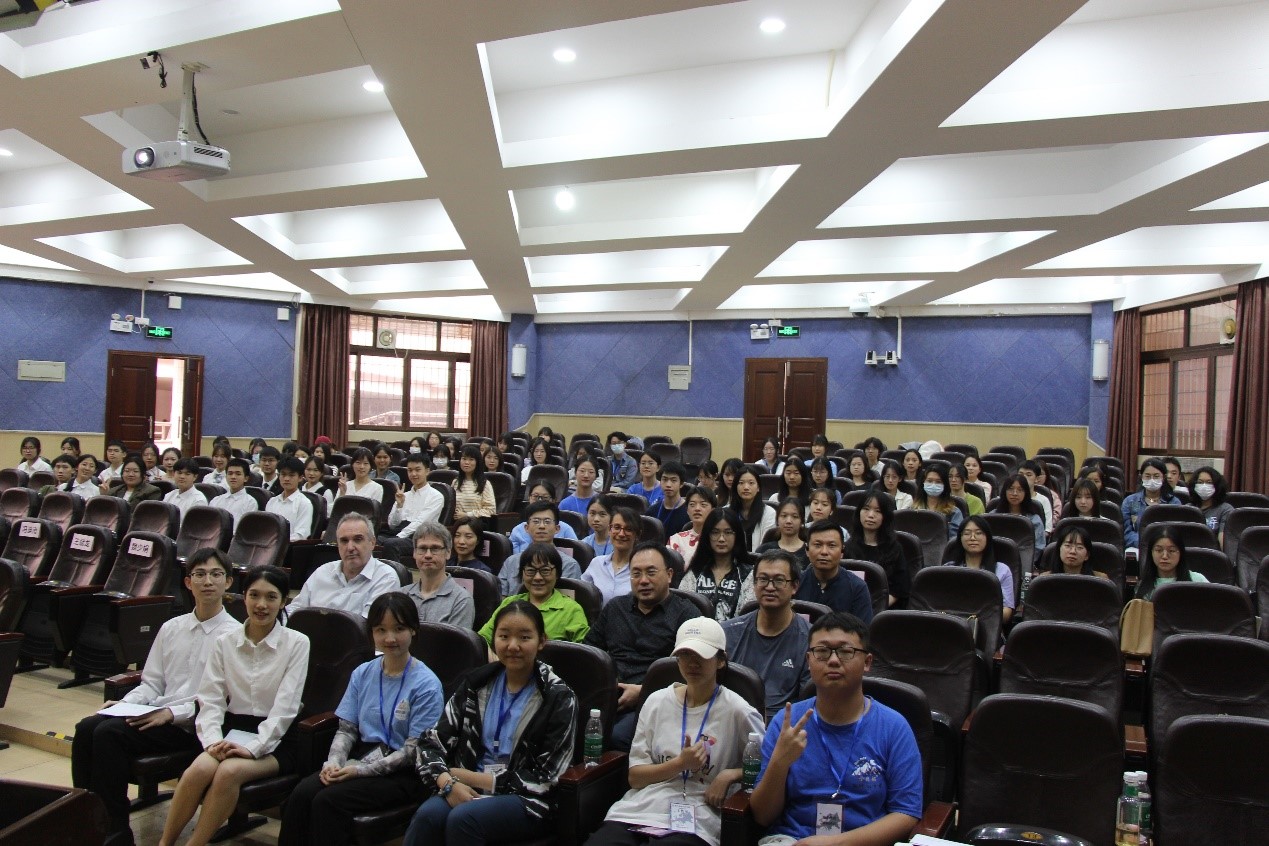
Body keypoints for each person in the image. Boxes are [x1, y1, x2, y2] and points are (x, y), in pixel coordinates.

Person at [73, 548, 239, 846]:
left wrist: (171, 714)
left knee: (109, 735)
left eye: (216, 574)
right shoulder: (171, 627)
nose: (207, 582)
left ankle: (115, 833)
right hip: (157, 717)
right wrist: (126, 704)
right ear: (188, 582)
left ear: (228, 582)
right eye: (200, 574)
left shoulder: (235, 636)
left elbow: (224, 699)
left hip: (196, 725)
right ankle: (86, 821)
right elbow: (152, 683)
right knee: (87, 727)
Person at [157, 566, 309, 846]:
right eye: (254, 595)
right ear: (244, 597)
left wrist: (254, 748)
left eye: (271, 597)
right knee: (197, 770)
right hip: (232, 731)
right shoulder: (224, 642)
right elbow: (211, 699)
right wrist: (212, 741)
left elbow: (285, 708)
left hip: (278, 738)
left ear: (283, 602)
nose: (261, 604)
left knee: (229, 772)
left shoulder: (297, 643)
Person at [404, 600, 577, 846]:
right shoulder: (476, 684)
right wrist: (447, 782)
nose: (513, 646)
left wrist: (472, 778)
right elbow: (431, 743)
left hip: (527, 799)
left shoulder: (558, 697)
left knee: (464, 818)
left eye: (524, 637)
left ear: (541, 641)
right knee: (427, 816)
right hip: (461, 785)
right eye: (504, 636)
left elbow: (547, 778)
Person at [278, 593, 443, 846]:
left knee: (328, 801)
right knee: (301, 793)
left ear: (413, 630)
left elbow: (413, 752)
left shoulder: (427, 684)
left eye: (399, 629)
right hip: (362, 756)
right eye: (381, 630)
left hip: (404, 773)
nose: (390, 638)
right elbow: (346, 729)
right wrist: (334, 763)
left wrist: (358, 772)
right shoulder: (363, 673)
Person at [584, 617, 764, 846]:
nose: (692, 663)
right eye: (685, 654)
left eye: (701, 655)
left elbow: (766, 764)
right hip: (640, 810)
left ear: (720, 660)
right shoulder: (656, 702)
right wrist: (680, 764)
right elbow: (635, 777)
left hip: (698, 816)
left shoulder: (738, 710)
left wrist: (731, 775)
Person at [748, 612, 922, 845]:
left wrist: (835, 844)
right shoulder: (788, 723)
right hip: (791, 839)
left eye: (845, 651)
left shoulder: (894, 727)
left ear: (867, 662)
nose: (833, 660)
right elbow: (762, 815)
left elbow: (905, 814)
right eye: (822, 651)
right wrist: (779, 762)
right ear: (808, 661)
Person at [586, 543, 705, 752]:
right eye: (636, 574)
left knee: (615, 737)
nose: (643, 581)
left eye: (651, 572)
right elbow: (590, 653)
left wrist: (643, 692)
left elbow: (695, 672)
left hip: (657, 701)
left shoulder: (687, 615)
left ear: (669, 575)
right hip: (608, 694)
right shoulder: (615, 608)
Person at [721, 551, 812, 722]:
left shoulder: (810, 640)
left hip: (783, 725)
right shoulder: (727, 633)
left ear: (794, 586)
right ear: (754, 584)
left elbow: (807, 703)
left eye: (779, 580)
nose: (770, 587)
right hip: (731, 721)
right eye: (763, 579)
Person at [288, 513, 400, 616]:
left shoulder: (385, 578)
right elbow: (294, 609)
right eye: (344, 541)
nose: (350, 547)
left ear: (372, 542)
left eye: (358, 539)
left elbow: (370, 626)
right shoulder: (322, 572)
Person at [480, 543, 589, 647]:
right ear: (522, 573)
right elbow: (482, 640)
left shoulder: (571, 610)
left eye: (545, 570)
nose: (537, 577)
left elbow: (585, 652)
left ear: (557, 573)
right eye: (530, 570)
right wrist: (494, 658)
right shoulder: (509, 603)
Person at [680, 509, 756, 622]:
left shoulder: (748, 574)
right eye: (715, 532)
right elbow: (682, 610)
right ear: (707, 535)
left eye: (728, 532)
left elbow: (748, 618)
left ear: (737, 536)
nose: (721, 539)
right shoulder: (695, 572)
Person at [497, 501, 583, 596]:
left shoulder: (569, 565)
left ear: (557, 528)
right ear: (526, 528)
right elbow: (501, 597)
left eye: (547, 522)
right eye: (536, 521)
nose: (542, 526)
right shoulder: (511, 562)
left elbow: (567, 601)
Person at [794, 520, 873, 622]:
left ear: (842, 551)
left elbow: (863, 629)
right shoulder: (795, 584)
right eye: (817, 545)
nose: (824, 552)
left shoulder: (857, 587)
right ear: (807, 550)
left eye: (831, 546)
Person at [842, 492, 910, 609]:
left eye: (878, 511)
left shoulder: (895, 549)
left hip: (884, 610)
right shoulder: (847, 547)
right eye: (866, 509)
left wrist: (875, 608)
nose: (871, 515)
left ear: (885, 516)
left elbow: (900, 590)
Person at [943, 515, 1016, 623]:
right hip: (954, 624)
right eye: (967, 533)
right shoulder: (948, 569)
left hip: (989, 626)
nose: (972, 538)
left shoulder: (1002, 570)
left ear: (987, 537)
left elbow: (1006, 613)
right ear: (960, 538)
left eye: (978, 533)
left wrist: (981, 616)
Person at [405, 523, 475, 628]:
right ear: (414, 553)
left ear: (448, 553)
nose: (428, 555)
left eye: (435, 549)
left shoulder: (461, 600)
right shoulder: (402, 594)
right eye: (422, 548)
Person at [379, 453, 445, 562]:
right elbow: (392, 525)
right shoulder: (404, 495)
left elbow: (420, 523)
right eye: (410, 470)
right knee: (372, 539)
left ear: (427, 471)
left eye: (417, 470)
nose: (413, 474)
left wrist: (400, 536)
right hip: (399, 532)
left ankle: (395, 573)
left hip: (420, 537)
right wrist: (399, 506)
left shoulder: (436, 496)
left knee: (391, 544)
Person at [1121, 458, 1182, 553]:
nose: (1152, 480)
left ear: (1163, 477)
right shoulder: (1131, 501)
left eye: (1156, 476)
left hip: (1166, 549)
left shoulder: (1173, 503)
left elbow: (1176, 531)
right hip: (1137, 548)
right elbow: (1127, 531)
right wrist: (1145, 543)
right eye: (1148, 476)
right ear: (1141, 477)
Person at [583, 506, 639, 605]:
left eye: (628, 529)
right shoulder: (597, 563)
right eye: (617, 527)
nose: (621, 534)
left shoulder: (641, 569)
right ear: (609, 530)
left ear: (637, 534)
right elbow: (582, 594)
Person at [1135, 525, 1208, 600]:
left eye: (1171, 551)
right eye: (1159, 550)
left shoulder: (1198, 581)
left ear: (1180, 553)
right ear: (1151, 553)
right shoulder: (1143, 587)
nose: (1164, 556)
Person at [510, 483, 579, 554]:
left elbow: (576, 552)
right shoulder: (517, 530)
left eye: (545, 497)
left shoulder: (566, 529)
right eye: (535, 496)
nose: (539, 500)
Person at [991, 474, 1046, 561]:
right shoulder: (993, 516)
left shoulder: (1034, 520)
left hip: (1025, 562)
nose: (1015, 493)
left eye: (1020, 490)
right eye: (1011, 489)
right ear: (1004, 491)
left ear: (1026, 493)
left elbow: (1038, 547)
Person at [266, 456, 315, 541]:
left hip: (289, 546)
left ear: (300, 478)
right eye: (283, 474)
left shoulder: (304, 503)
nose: (286, 479)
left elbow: (301, 535)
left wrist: (277, 541)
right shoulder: (272, 502)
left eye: (291, 475)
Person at [728, 465, 775, 553]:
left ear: (758, 488)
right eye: (741, 483)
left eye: (751, 483)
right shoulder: (726, 512)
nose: (746, 487)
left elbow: (766, 547)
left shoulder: (769, 513)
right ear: (735, 487)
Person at [755, 496, 810, 570]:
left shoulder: (810, 552)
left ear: (802, 521)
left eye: (795, 516)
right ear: (777, 519)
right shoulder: (764, 550)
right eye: (784, 516)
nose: (788, 521)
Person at [912, 463, 963, 541]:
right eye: (929, 481)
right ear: (923, 482)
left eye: (938, 482)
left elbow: (954, 541)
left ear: (945, 485)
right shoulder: (911, 510)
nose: (933, 485)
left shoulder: (954, 513)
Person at [669, 486, 716, 570]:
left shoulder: (720, 540)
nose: (697, 509)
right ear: (687, 510)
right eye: (692, 505)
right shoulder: (676, 540)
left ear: (713, 510)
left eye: (703, 505)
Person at [1040, 524, 1109, 579]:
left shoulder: (1100, 579)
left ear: (1087, 555)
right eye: (1068, 546)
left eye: (1079, 547)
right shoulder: (1045, 578)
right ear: (1059, 550)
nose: (1073, 551)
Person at [209, 457, 259, 530]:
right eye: (230, 473)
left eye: (238, 474)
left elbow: (247, 530)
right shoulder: (216, 500)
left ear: (246, 478)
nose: (233, 477)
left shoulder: (250, 502)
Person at [1190, 465, 1234, 544]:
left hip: (1213, 550)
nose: (1204, 486)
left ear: (1217, 486)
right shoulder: (1188, 508)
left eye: (1209, 482)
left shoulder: (1225, 509)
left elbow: (1223, 540)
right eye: (1200, 482)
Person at [453, 443, 496, 520]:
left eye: (471, 459)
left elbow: (491, 510)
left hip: (475, 523)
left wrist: (468, 515)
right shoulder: (455, 482)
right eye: (464, 459)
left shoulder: (485, 484)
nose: (467, 462)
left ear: (477, 462)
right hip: (455, 523)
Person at [650, 459, 691, 536]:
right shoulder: (652, 511)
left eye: (673, 480)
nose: (668, 484)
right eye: (665, 479)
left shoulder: (689, 513)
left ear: (681, 484)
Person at [163, 458, 208, 524]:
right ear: (174, 474)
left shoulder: (199, 500)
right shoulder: (169, 495)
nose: (182, 476)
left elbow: (195, 526)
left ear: (195, 477)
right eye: (179, 473)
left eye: (187, 474)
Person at [1018, 460, 1057, 533]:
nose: (1024, 478)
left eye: (1028, 475)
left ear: (1037, 479)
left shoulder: (1043, 500)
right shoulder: (1012, 497)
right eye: (1021, 474)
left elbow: (1047, 529)